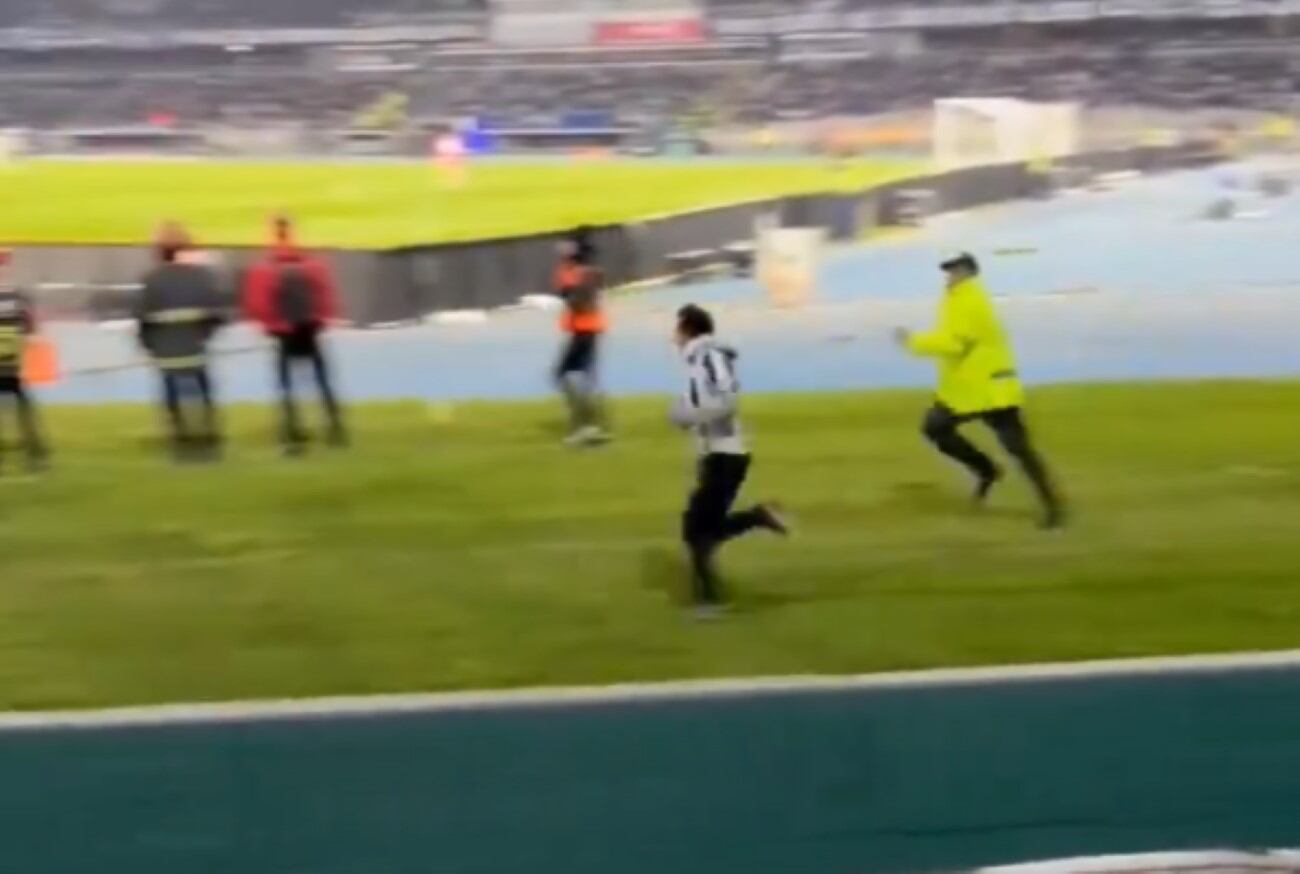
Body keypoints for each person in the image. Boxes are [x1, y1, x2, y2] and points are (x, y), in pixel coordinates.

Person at [894, 252, 1065, 529]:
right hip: (972, 390)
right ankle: (992, 473)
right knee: (940, 428)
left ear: (966, 272)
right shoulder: (961, 298)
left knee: (1016, 448)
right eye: (947, 272)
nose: (948, 277)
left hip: (988, 390)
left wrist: (913, 342)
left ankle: (1047, 503)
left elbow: (955, 343)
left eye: (952, 271)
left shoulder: (969, 299)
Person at [671, 304, 787, 615]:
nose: (673, 337)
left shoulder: (709, 357)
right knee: (700, 529)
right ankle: (758, 518)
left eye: (677, 329)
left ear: (688, 329)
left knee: (696, 530)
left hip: (727, 454)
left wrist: (691, 415)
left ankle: (710, 600)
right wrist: (684, 416)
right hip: (717, 454)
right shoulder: (697, 361)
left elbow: (727, 400)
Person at [243, 215, 347, 455]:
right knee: (323, 382)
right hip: (310, 330)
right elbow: (325, 296)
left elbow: (258, 305)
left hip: (284, 334)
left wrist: (271, 328)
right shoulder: (312, 265)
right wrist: (321, 322)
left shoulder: (265, 269)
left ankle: (292, 431)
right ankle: (335, 429)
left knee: (285, 385)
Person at [136, 224, 226, 462]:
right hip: (195, 348)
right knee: (203, 388)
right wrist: (204, 336)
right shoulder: (202, 276)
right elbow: (216, 314)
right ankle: (209, 434)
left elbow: (143, 319)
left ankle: (180, 437)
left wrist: (149, 346)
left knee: (171, 390)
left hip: (167, 352)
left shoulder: (151, 280)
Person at [553, 227, 611, 447]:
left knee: (563, 374)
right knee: (585, 377)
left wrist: (571, 291)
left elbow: (576, 302)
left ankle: (584, 426)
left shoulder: (575, 272)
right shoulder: (591, 270)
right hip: (591, 328)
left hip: (583, 329)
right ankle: (594, 426)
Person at [0, 250, 49, 472]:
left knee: (24, 409)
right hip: (14, 365)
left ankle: (35, 453)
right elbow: (32, 331)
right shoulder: (19, 297)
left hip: (9, 364)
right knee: (24, 409)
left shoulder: (19, 297)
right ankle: (35, 455)